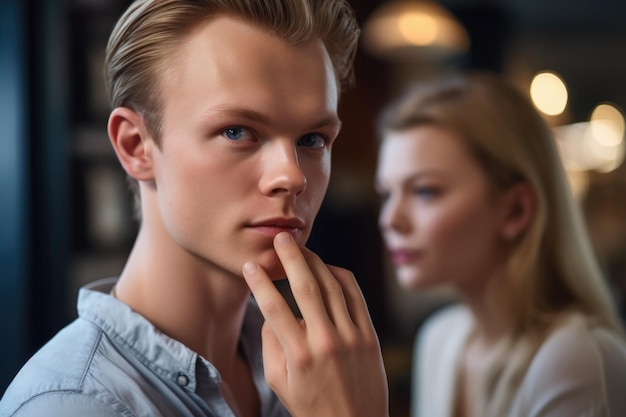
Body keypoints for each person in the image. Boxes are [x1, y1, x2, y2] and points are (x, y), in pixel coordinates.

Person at [0, 0, 390, 416]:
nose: (292, 177)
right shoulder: (75, 406)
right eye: (237, 131)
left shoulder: (308, 370)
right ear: (136, 146)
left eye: (312, 139)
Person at [374, 71, 626, 417]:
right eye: (387, 194)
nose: (390, 219)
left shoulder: (577, 357)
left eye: (424, 190)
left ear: (515, 210)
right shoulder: (439, 339)